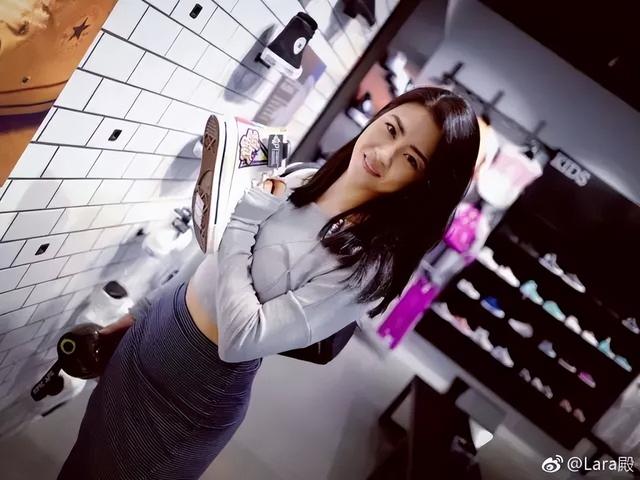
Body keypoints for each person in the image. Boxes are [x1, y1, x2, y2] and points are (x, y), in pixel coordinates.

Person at [57, 87, 480, 479]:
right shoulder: (302, 179)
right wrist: (137, 316)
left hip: (187, 398)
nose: (384, 154)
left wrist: (243, 222)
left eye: (411, 159)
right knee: (79, 465)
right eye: (390, 129)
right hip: (149, 337)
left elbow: (242, 339)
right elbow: (211, 261)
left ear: (425, 185)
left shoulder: (365, 267)